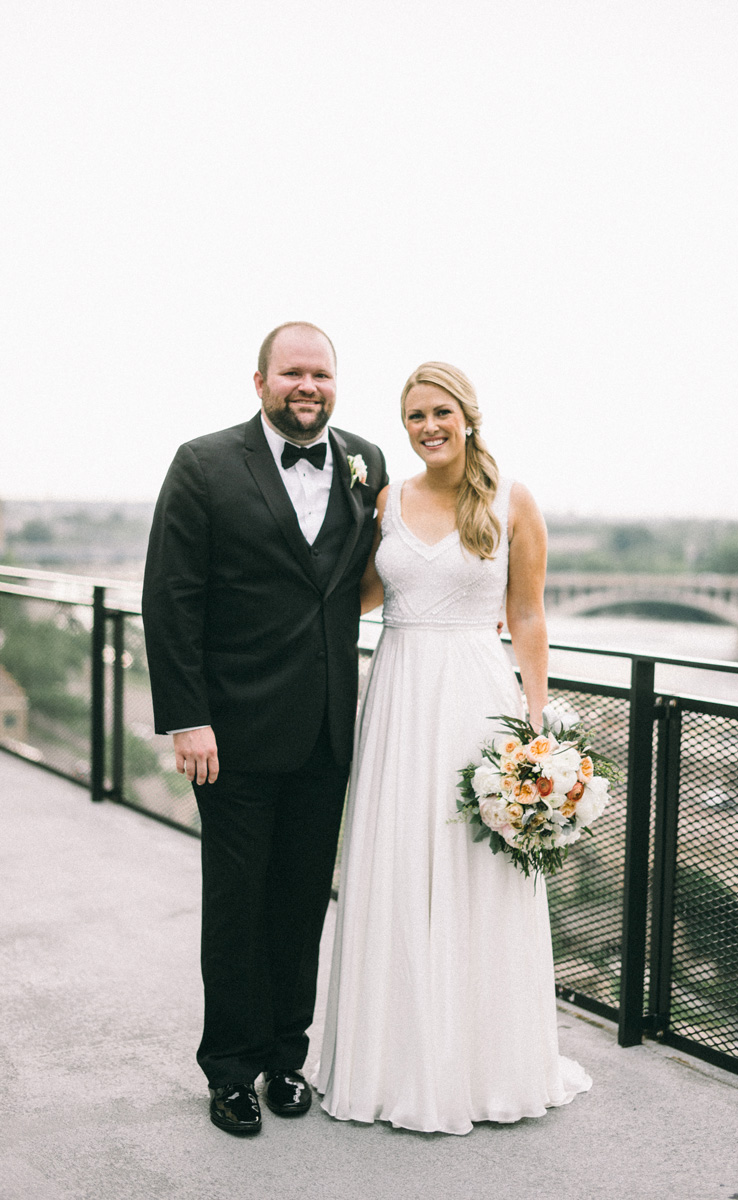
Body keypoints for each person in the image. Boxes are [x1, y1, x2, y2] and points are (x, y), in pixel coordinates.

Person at [313, 361, 591, 1134]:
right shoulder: (385, 501)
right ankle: (389, 1062)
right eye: (413, 417)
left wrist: (537, 721)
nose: (427, 427)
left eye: (440, 412)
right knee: (396, 862)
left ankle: (482, 1066)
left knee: (477, 873)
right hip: (400, 695)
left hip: (476, 696)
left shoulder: (512, 501)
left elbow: (528, 617)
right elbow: (360, 596)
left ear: (468, 416)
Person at [142, 322, 388, 1135]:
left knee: (299, 904)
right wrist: (188, 717)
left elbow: (357, 582)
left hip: (325, 731)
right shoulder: (205, 463)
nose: (307, 386)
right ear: (260, 383)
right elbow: (171, 596)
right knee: (238, 905)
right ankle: (231, 1070)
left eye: (320, 373)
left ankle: (288, 1056)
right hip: (233, 735)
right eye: (292, 374)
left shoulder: (366, 462)